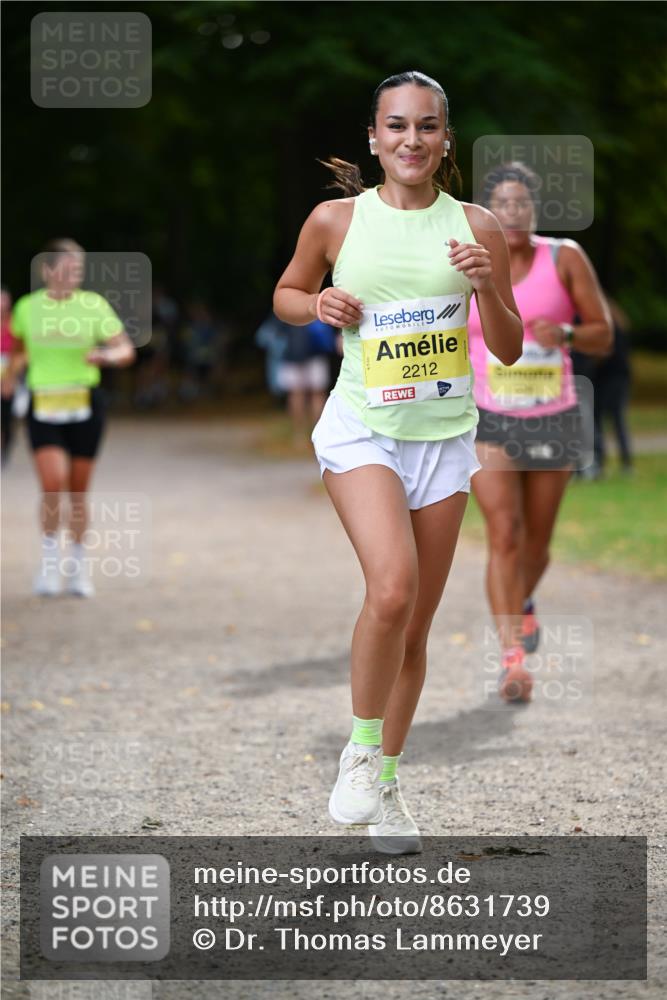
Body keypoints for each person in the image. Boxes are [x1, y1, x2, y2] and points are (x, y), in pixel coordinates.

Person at [274, 72, 522, 853]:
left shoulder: (477, 226)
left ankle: (384, 784)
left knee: (413, 629)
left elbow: (508, 348)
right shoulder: (336, 220)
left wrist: (487, 288)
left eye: (426, 126)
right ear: (373, 138)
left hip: (442, 439)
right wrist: (317, 304)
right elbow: (285, 293)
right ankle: (358, 750)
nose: (410, 139)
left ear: (445, 139)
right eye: (396, 126)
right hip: (363, 431)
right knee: (391, 588)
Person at [467, 162, 612, 699]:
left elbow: (604, 335)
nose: (512, 213)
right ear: (485, 213)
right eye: (501, 204)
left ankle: (520, 601)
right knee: (504, 533)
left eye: (521, 203)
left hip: (554, 415)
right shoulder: (468, 263)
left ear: (535, 209)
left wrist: (568, 333)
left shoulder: (564, 257)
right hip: (487, 415)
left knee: (537, 545)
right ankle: (512, 661)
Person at [6, 238, 136, 596]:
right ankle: (49, 566)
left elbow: (125, 350)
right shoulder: (27, 308)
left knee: (78, 492)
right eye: (66, 269)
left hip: (84, 404)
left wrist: (106, 357)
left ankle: (78, 568)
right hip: (44, 404)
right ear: (46, 270)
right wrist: (9, 378)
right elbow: (18, 351)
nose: (72, 276)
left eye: (78, 270)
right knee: (52, 484)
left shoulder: (93, 305)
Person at [593, 297, 633, 476]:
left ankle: (603, 462)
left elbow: (604, 354)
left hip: (609, 378)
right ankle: (625, 461)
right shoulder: (620, 326)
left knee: (604, 419)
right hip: (617, 378)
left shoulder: (607, 330)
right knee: (617, 420)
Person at [1, 286, 17, 463]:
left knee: (5, 415)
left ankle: (5, 447)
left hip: (10, 374)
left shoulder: (15, 322)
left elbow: (21, 351)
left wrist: (11, 377)